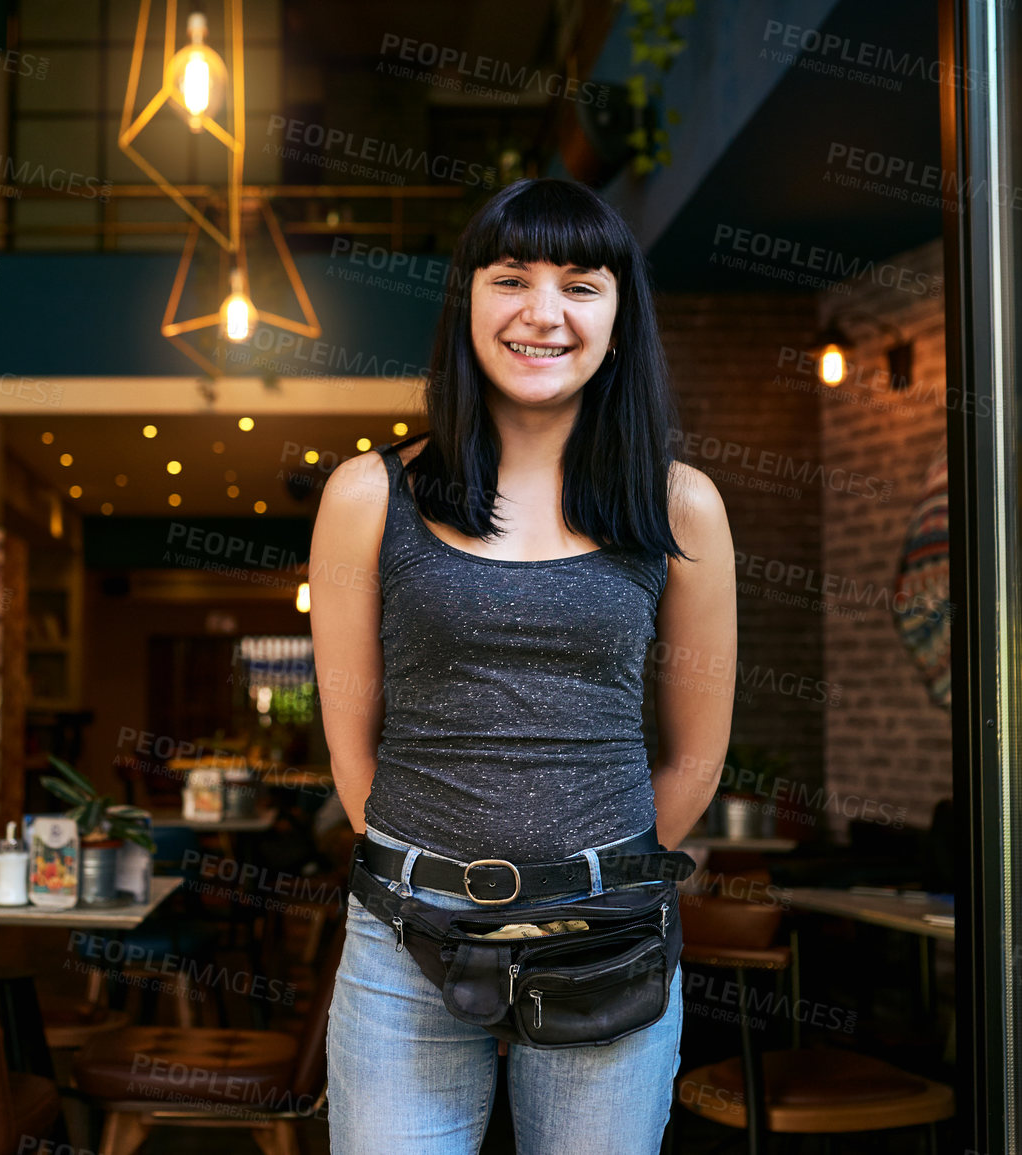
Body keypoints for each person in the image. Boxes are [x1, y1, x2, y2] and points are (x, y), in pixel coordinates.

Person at [308, 176, 737, 1154]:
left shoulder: (683, 508)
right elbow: (350, 746)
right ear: (469, 304)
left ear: (620, 321)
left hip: (611, 937)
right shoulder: (368, 497)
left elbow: (696, 759)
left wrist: (592, 870)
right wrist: (438, 865)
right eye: (512, 279)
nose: (543, 312)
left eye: (581, 285)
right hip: (404, 932)